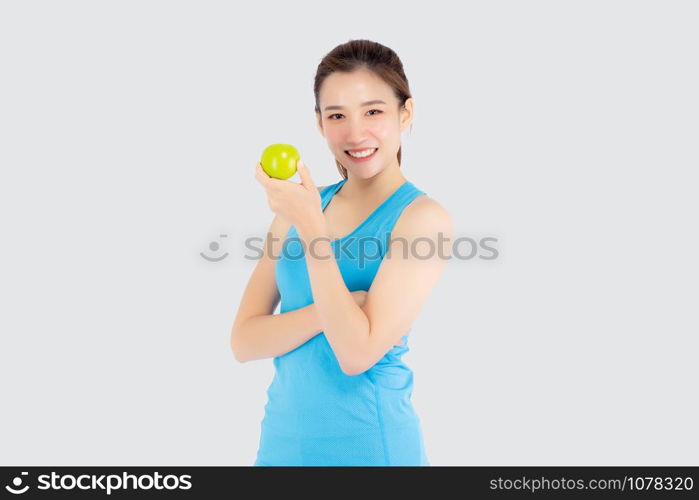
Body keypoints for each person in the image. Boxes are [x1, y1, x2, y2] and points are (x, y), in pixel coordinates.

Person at [231, 39, 453, 466]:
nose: (355, 133)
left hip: (371, 449)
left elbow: (355, 354)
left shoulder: (424, 219)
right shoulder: (301, 207)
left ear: (405, 114)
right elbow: (244, 341)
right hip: (280, 448)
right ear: (319, 123)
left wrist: (312, 229)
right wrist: (339, 310)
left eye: (373, 111)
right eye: (337, 115)